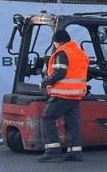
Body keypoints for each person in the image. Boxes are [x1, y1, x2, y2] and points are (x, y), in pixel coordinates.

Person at [38, 28, 89, 163]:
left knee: (47, 117)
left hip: (63, 94)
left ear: (57, 42)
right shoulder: (79, 52)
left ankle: (52, 151)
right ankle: (75, 152)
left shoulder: (62, 52)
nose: (55, 46)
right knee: (72, 123)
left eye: (54, 43)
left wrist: (45, 81)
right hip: (76, 95)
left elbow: (60, 73)